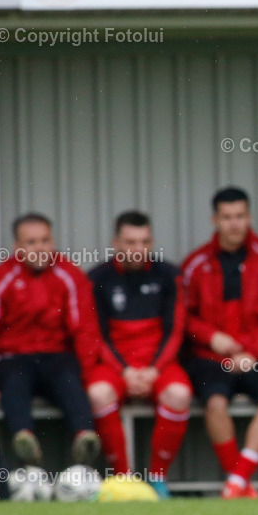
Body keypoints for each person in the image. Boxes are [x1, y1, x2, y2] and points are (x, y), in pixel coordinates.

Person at [182, 187, 258, 499]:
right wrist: (212, 337)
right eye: (227, 217)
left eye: (240, 216)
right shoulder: (195, 263)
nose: (234, 223)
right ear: (215, 220)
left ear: (249, 217)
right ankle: (239, 482)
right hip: (211, 357)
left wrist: (253, 351)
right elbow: (183, 316)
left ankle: (236, 481)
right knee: (215, 403)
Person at [0, 213, 102, 468]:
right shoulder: (0, 279)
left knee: (68, 378)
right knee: (14, 380)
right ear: (17, 247)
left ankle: (84, 437)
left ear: (53, 242)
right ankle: (24, 438)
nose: (40, 248)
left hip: (56, 357)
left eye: (45, 240)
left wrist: (84, 374)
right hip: (13, 358)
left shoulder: (69, 276)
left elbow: (86, 329)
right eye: (31, 242)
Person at [86, 211, 191, 498]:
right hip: (115, 365)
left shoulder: (169, 275)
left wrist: (154, 369)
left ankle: (157, 478)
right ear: (116, 243)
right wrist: (124, 371)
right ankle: (124, 479)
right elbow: (96, 335)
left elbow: (175, 330)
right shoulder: (97, 279)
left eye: (145, 242)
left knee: (179, 394)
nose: (138, 249)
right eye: (130, 242)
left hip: (158, 364)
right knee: (98, 394)